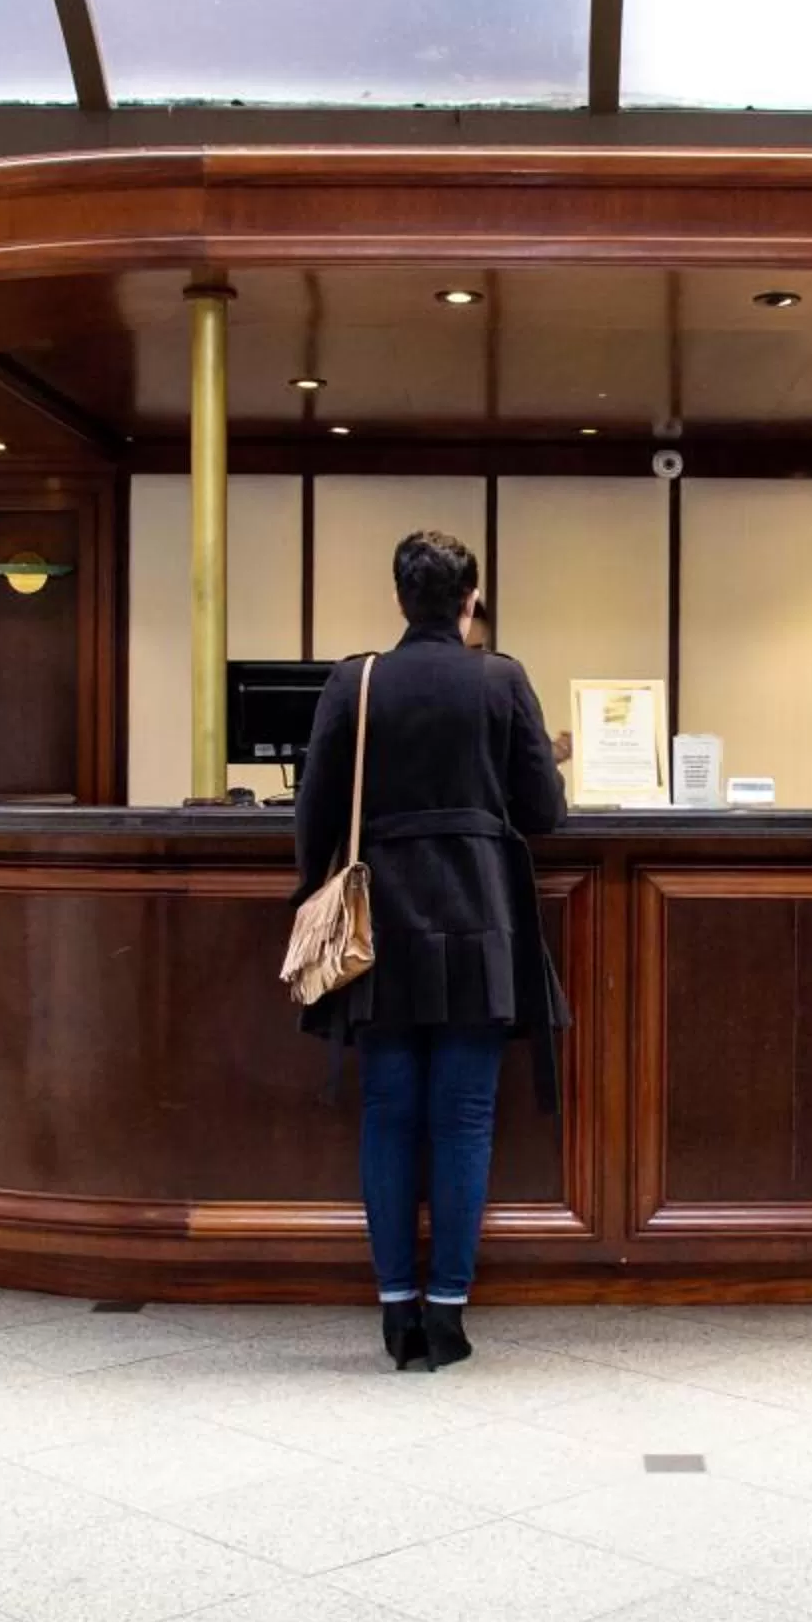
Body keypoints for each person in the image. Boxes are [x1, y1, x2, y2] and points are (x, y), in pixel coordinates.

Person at [295, 531, 568, 1372]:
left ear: (397, 599)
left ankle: (394, 1312)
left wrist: (316, 898)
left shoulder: (358, 678)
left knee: (388, 1112)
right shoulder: (502, 678)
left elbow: (314, 809)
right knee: (464, 1117)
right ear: (470, 601)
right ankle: (447, 1313)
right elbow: (545, 813)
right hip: (480, 913)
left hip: (382, 919)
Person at [460, 595, 573, 766]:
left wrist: (554, 752)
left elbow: (525, 757)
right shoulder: (503, 677)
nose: (473, 660)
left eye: (478, 650)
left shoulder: (499, 684)